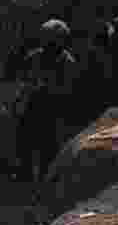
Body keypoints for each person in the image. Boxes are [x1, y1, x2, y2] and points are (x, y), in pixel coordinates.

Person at [14, 20, 77, 184]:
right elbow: (23, 82)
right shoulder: (34, 57)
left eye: (55, 40)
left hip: (52, 110)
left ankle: (47, 182)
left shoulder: (66, 61)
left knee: (49, 150)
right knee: (25, 146)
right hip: (31, 107)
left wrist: (46, 88)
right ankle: (25, 178)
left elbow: (67, 90)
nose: (51, 44)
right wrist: (23, 96)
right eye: (48, 40)